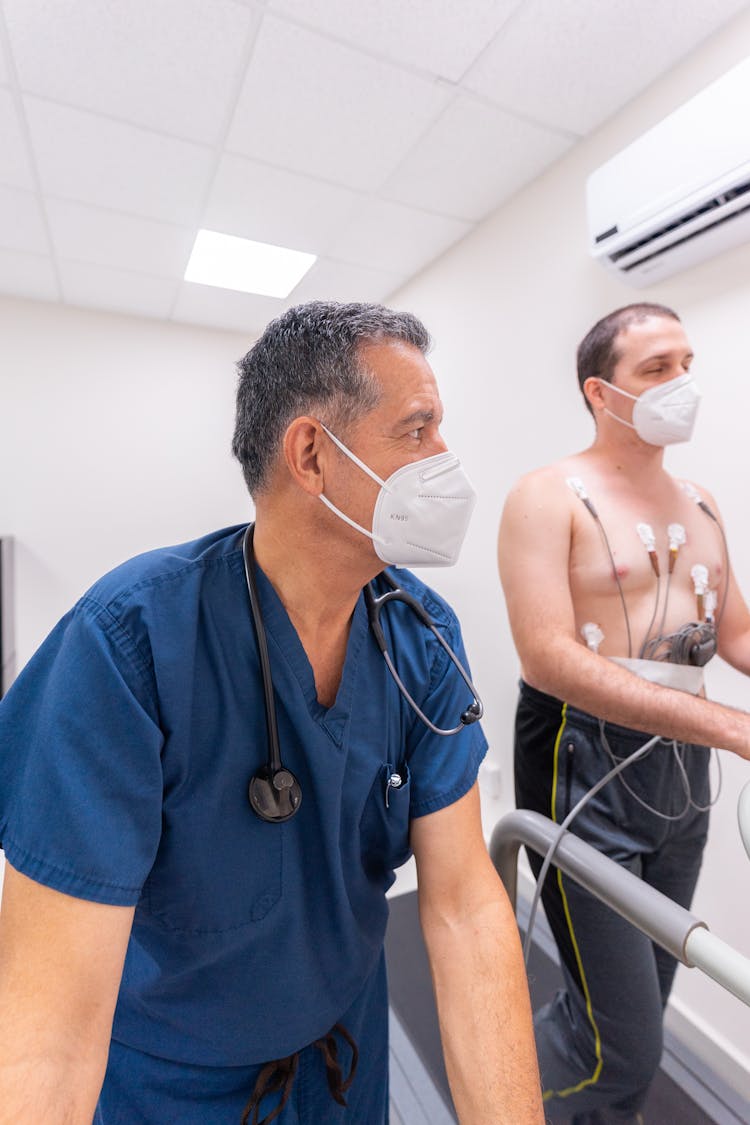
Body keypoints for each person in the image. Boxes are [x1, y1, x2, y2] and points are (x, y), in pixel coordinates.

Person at [0, 301, 544, 1125]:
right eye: (417, 430)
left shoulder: (420, 634)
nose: (446, 461)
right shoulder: (131, 642)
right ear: (313, 455)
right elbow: (51, 1025)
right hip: (171, 1089)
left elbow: (467, 910)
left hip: (341, 1068)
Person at [498, 301, 750, 1124]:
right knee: (627, 1044)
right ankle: (520, 1103)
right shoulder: (548, 496)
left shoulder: (703, 503)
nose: (682, 383)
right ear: (601, 394)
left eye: (686, 362)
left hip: (681, 777)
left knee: (647, 991)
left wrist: (713, 727)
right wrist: (725, 725)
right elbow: (549, 655)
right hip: (585, 762)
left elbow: (735, 631)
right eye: (656, 369)